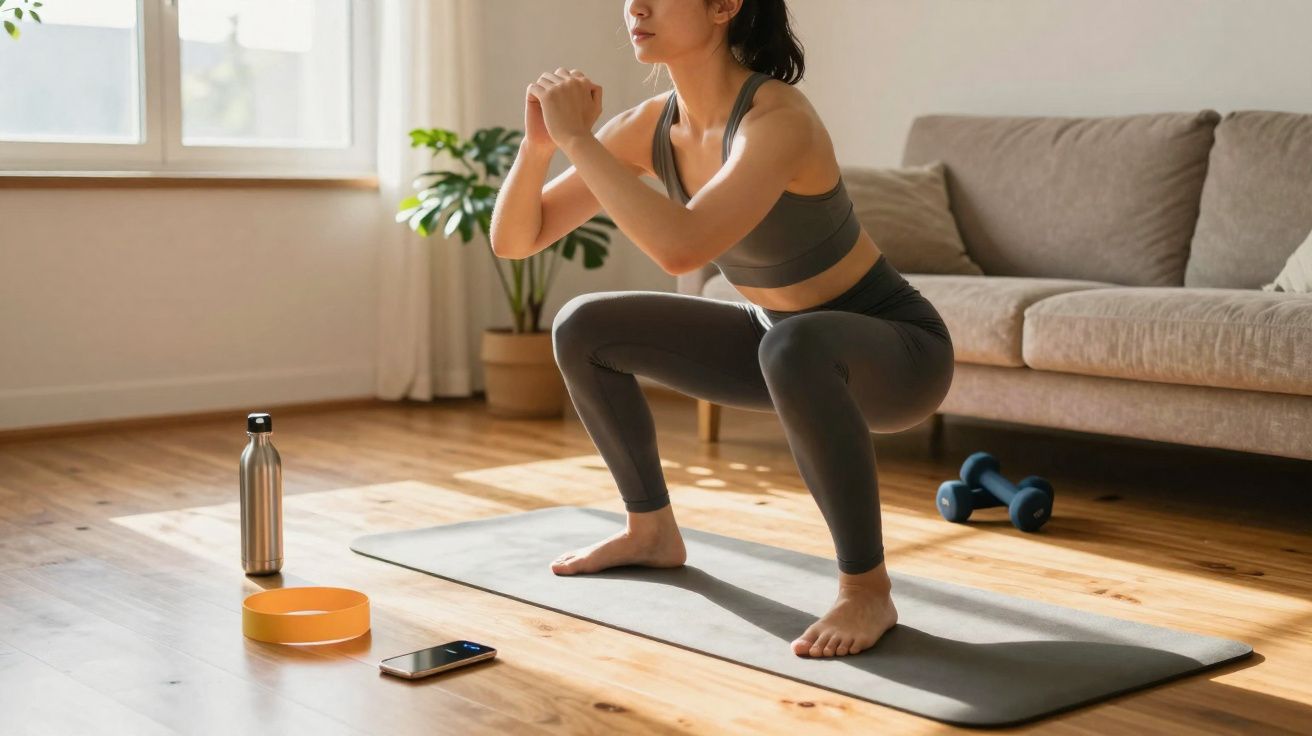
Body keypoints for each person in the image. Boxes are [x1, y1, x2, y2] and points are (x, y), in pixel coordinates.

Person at [488, 0, 954, 659]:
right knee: (583, 325)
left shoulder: (777, 119)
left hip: (895, 352)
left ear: (723, 6)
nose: (635, 7)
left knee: (796, 343)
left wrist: (581, 141)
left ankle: (866, 587)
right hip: (777, 344)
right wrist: (541, 149)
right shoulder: (648, 128)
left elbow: (683, 249)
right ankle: (650, 531)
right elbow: (516, 239)